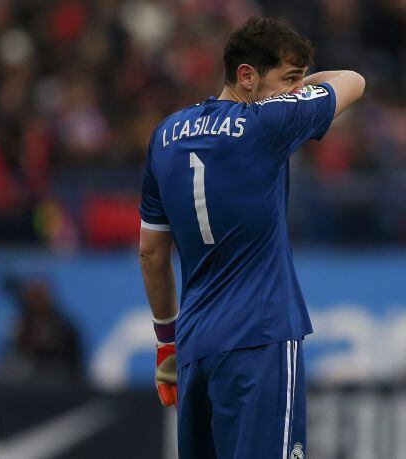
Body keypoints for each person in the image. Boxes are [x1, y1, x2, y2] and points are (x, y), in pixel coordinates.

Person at [137, 17, 365, 459]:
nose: (297, 93)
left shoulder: (164, 137)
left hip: (195, 347)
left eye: (301, 81)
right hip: (260, 339)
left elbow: (151, 252)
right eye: (290, 79)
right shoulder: (267, 124)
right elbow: (353, 81)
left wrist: (167, 341)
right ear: (247, 76)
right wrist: (309, 87)